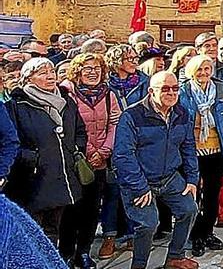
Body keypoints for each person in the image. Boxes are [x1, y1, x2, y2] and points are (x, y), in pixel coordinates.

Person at [113, 71, 199, 269]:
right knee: (148, 224)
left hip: (169, 177)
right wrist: (140, 187)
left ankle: (175, 257)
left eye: (175, 88)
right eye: (165, 89)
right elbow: (123, 155)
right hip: (140, 180)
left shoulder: (182, 112)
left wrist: (192, 179)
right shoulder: (132, 116)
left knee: (189, 209)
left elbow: (188, 147)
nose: (171, 93)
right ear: (151, 91)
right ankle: (139, 265)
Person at [5, 58, 86, 246]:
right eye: (42, 73)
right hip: (33, 179)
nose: (50, 76)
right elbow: (9, 141)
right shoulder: (17, 105)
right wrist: (30, 159)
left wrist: (75, 152)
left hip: (61, 175)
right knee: (30, 231)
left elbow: (80, 130)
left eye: (52, 71)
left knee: (53, 229)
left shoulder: (66, 100)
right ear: (28, 79)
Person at [58, 53, 122, 268]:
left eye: (97, 68)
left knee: (92, 209)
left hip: (100, 162)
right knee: (71, 210)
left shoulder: (108, 95)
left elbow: (115, 124)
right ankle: (66, 252)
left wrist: (104, 151)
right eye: (87, 68)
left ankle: (83, 252)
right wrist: (88, 151)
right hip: (76, 161)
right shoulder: (68, 95)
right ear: (78, 71)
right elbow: (69, 128)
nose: (93, 72)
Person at [178, 55, 223, 256]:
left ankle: (208, 232)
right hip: (192, 151)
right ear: (191, 71)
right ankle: (195, 235)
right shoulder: (184, 91)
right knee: (193, 195)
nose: (204, 73)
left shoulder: (220, 89)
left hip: (215, 149)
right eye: (199, 69)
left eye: (207, 69)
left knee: (213, 194)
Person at [106, 44, 150, 109]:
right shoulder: (106, 83)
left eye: (136, 58)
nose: (135, 62)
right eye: (130, 58)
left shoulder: (145, 81)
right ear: (117, 61)